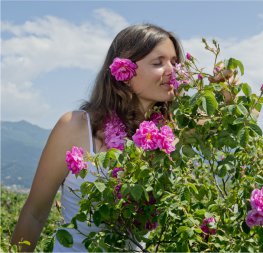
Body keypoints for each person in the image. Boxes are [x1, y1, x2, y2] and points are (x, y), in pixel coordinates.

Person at [11, 23, 184, 252]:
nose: (172, 71)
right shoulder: (75, 126)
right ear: (125, 70)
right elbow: (35, 213)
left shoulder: (170, 136)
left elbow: (225, 123)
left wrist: (223, 89)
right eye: (158, 62)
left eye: (174, 62)